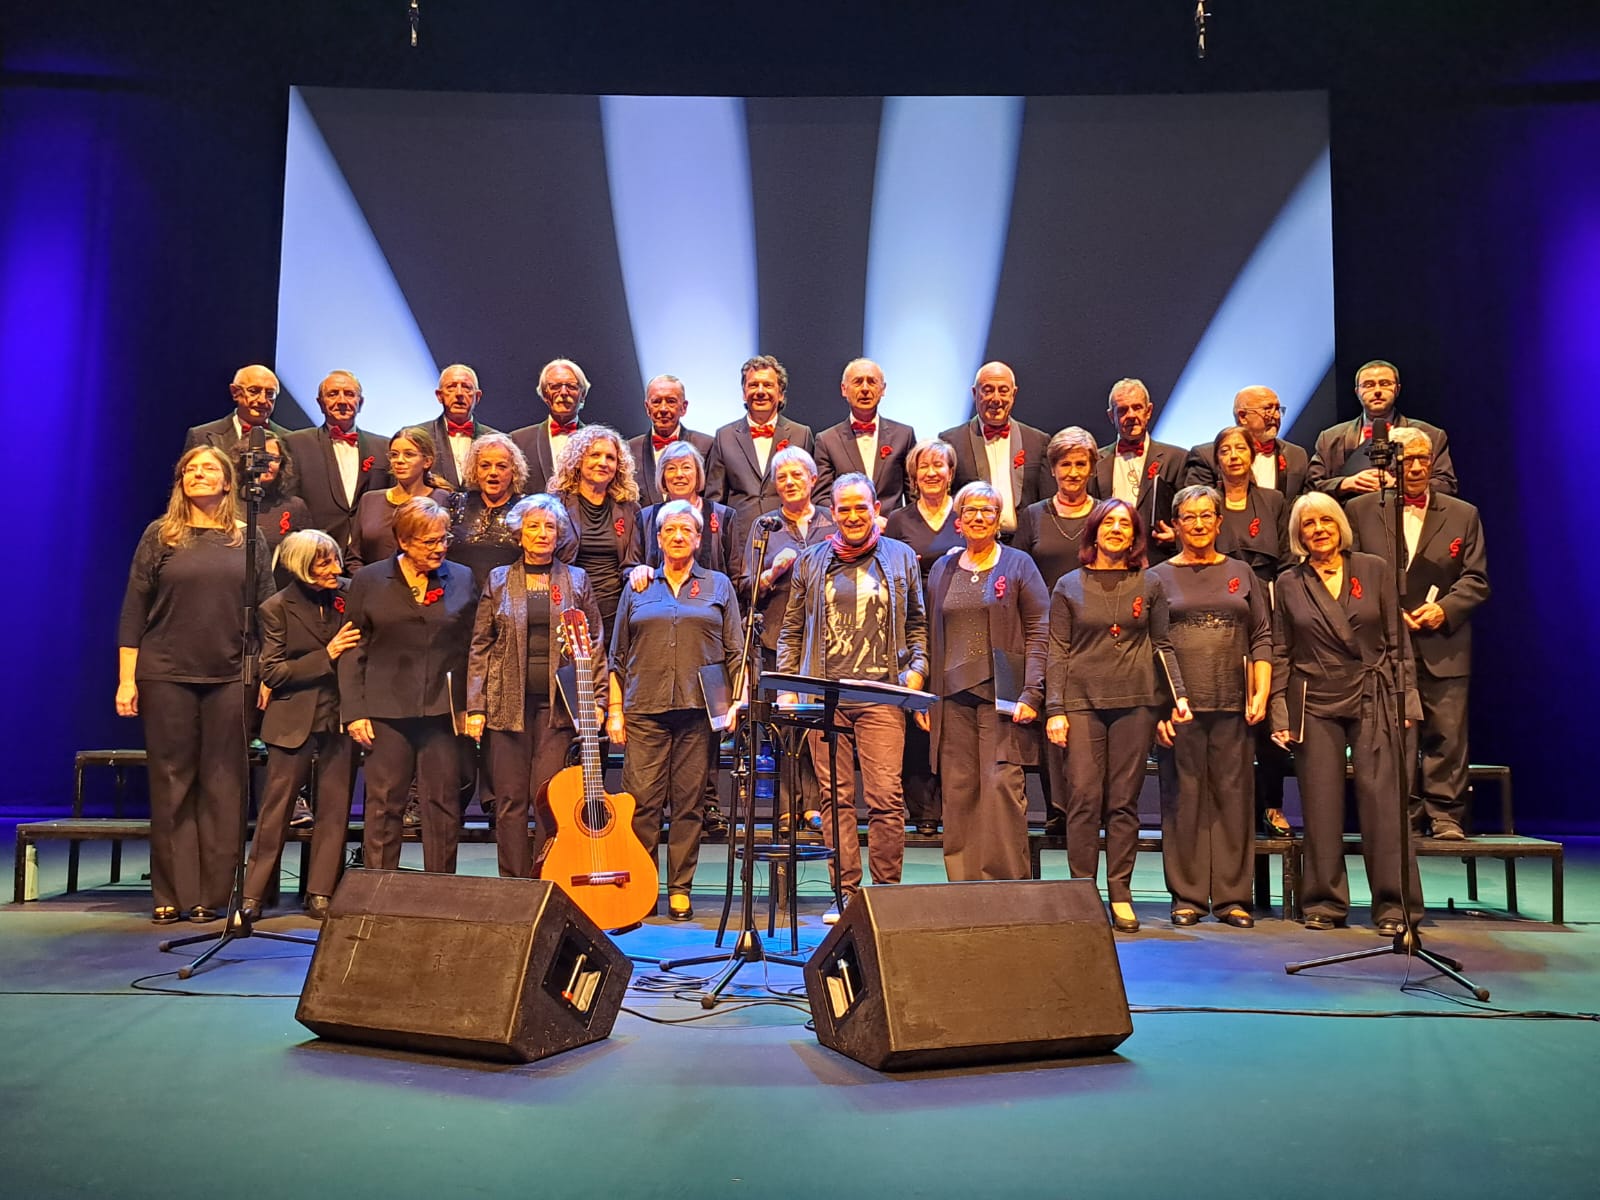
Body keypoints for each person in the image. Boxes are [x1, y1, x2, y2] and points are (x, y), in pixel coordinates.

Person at [117, 446, 272, 924]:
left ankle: (215, 894)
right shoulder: (160, 535)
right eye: (190, 468)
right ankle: (172, 892)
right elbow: (134, 610)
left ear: (229, 482)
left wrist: (265, 671)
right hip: (166, 672)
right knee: (171, 781)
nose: (198, 474)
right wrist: (127, 679)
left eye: (209, 468)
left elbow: (267, 611)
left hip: (230, 675)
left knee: (224, 783)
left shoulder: (248, 539)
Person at [776, 473, 928, 921]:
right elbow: (790, 629)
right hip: (824, 695)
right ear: (833, 513)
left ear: (875, 508)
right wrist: (789, 686)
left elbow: (917, 623)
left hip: (881, 694)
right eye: (844, 508)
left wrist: (916, 671)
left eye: (861, 507)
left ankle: (885, 896)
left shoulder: (900, 557)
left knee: (885, 796)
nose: (854, 515)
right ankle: (845, 894)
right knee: (835, 798)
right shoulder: (811, 560)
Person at [1270, 491, 1423, 935]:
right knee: (1320, 806)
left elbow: (1398, 643)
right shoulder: (1288, 582)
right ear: (1299, 534)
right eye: (1308, 524)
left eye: (1326, 522)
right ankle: (1324, 902)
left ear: (1340, 527)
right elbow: (1281, 651)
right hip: (1314, 699)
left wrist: (1406, 699)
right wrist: (1280, 714)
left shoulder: (1373, 569)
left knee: (1384, 804)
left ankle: (1395, 907)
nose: (1318, 530)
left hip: (1374, 693)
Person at [1045, 498, 1191, 933]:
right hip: (1081, 704)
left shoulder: (1150, 584)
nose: (1116, 530)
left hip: (1136, 702)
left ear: (1134, 535)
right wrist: (1055, 708)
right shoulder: (1068, 585)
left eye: (1124, 524)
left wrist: (1177, 696)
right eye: (1108, 523)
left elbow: (1162, 645)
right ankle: (1081, 893)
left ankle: (1121, 894)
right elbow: (1057, 651)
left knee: (1124, 803)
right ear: (1094, 532)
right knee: (1085, 799)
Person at [1348, 426, 1490, 840]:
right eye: (1407, 459)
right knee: (1393, 734)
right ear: (1392, 463)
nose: (1415, 467)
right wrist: (1386, 613)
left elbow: (1476, 579)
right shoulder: (1361, 510)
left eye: (1422, 459)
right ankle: (1400, 814)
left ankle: (1445, 814)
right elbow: (1352, 575)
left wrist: (1442, 610)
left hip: (1443, 643)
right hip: (1384, 646)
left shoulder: (1463, 513)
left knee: (1446, 731)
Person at [608, 501, 743, 920]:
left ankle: (680, 888)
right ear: (659, 538)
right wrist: (614, 710)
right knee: (641, 802)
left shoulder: (719, 585)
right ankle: (643, 884)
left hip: (698, 711)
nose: (679, 536)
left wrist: (737, 700)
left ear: (699, 539)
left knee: (688, 804)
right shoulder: (639, 586)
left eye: (687, 529)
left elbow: (736, 651)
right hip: (644, 709)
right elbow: (616, 655)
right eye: (670, 530)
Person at [1149, 486, 1272, 927]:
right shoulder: (1158, 576)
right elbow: (1152, 645)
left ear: (1219, 522)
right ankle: (1187, 896)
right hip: (1179, 707)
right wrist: (1161, 709)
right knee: (1182, 799)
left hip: (1234, 705)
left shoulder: (1241, 572)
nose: (1198, 524)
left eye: (1206, 516)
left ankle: (1232, 898)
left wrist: (1260, 693)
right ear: (1175, 525)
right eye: (1189, 517)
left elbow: (1261, 635)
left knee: (1234, 799)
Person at [467, 495, 603, 879]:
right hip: (507, 703)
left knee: (549, 799)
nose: (542, 534)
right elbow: (481, 645)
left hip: (558, 708)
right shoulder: (498, 579)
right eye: (533, 526)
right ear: (519, 533)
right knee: (510, 800)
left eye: (549, 527)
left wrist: (597, 700)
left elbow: (594, 643)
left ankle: (549, 877)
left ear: (559, 534)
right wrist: (475, 705)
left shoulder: (576, 580)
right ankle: (512, 882)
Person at [339, 497, 478, 874]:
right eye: (428, 542)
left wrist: (470, 705)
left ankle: (438, 890)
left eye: (443, 539)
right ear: (404, 541)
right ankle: (379, 890)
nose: (439, 548)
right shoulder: (369, 579)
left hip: (442, 711)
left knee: (443, 804)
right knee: (385, 803)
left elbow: (473, 647)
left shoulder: (462, 577)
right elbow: (353, 648)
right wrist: (354, 711)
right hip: (385, 709)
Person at [922, 481, 1049, 881]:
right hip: (951, 699)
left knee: (1000, 791)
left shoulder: (1018, 564)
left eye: (988, 511)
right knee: (958, 795)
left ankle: (1006, 889)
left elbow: (1040, 629)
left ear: (999, 520)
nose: (979, 518)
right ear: (957, 521)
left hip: (1004, 698)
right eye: (970, 511)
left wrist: (1033, 690)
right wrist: (926, 698)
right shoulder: (942, 568)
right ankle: (964, 887)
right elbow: (929, 632)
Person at [241, 530, 359, 920]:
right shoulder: (276, 607)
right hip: (293, 716)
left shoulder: (350, 595)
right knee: (277, 809)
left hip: (340, 715)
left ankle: (320, 891)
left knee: (335, 807)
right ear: (299, 565)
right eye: (323, 562)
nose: (334, 569)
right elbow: (272, 672)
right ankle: (254, 895)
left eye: (335, 559)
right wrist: (326, 655)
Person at [1207, 424, 1294, 837]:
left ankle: (1272, 805)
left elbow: (1287, 560)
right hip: (1218, 610)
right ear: (1217, 459)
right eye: (1225, 450)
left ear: (1253, 455)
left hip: (1264, 606)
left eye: (1240, 449)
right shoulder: (1208, 504)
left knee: (1266, 710)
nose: (1234, 456)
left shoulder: (1274, 501)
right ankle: (1226, 808)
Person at [1013, 425, 1099, 836]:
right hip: (1048, 630)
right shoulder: (1033, 516)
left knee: (1088, 719)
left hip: (1094, 630)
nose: (1073, 472)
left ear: (1091, 467)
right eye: (1066, 464)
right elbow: (1021, 572)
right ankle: (1058, 808)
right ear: (1053, 468)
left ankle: (1090, 804)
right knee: (1053, 716)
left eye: (1081, 464)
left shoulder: (1105, 515)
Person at [883, 438, 964, 836]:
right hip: (913, 622)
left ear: (951, 473)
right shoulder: (899, 521)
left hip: (962, 623)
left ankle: (956, 802)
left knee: (954, 710)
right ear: (913, 476)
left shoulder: (965, 514)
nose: (932, 473)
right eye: (924, 467)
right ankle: (923, 809)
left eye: (939, 466)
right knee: (915, 711)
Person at [1308, 359, 1456, 499]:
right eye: (1368, 385)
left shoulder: (1431, 435)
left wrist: (1398, 485)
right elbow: (1311, 488)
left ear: (1397, 389)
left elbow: (1447, 485)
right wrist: (1345, 484)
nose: (1377, 390)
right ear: (1357, 392)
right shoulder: (1329, 438)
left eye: (1384, 383)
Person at [548, 424, 645, 635]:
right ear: (578, 460)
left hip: (616, 609)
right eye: (595, 455)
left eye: (610, 458)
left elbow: (632, 563)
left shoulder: (629, 509)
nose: (603, 463)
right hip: (568, 607)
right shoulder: (556, 504)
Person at [706, 354, 815, 539]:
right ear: (743, 392)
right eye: (753, 385)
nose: (760, 391)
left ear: (780, 394)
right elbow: (714, 500)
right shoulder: (724, 436)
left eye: (768, 385)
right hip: (740, 542)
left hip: (791, 537)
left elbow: (813, 492)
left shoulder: (801, 434)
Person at [938, 361, 1051, 536]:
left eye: (1003, 391)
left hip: (1023, 546)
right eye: (988, 390)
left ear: (1013, 394)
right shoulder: (951, 441)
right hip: (971, 544)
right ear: (975, 393)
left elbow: (1045, 502)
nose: (996, 399)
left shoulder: (1038, 441)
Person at [284, 370, 390, 553]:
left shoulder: (384, 447)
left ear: (360, 402)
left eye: (349, 394)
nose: (342, 401)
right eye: (333, 394)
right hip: (316, 553)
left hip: (369, 554)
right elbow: (290, 503)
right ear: (320, 403)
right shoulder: (295, 444)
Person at [1090, 378, 1187, 563]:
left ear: (1148, 411)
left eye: (1137, 408)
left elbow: (1190, 511)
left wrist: (1178, 534)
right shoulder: (1095, 461)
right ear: (1112, 416)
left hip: (1158, 562)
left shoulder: (1177, 459)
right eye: (1123, 410)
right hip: (1107, 562)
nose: (1131, 415)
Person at [812, 358, 916, 515]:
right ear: (844, 389)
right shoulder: (826, 440)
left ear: (883, 389)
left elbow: (913, 495)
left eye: (872, 382)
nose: (865, 388)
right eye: (858, 382)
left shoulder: (904, 435)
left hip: (892, 532)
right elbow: (822, 498)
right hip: (848, 530)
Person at [346, 426, 452, 571]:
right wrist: (369, 585)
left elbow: (448, 553)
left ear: (427, 461)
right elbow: (354, 557)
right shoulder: (370, 500)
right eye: (394, 455)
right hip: (374, 588)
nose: (399, 461)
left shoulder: (441, 499)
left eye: (408, 454)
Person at [633, 442, 742, 582]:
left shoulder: (724, 516)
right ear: (663, 477)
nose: (679, 474)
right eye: (671, 468)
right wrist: (638, 571)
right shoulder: (645, 518)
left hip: (711, 601)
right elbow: (630, 566)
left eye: (686, 467)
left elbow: (737, 578)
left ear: (698, 474)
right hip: (658, 602)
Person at [1183, 386, 1309, 501]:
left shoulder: (1296, 455)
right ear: (1242, 416)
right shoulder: (1207, 457)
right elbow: (1196, 505)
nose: (1276, 416)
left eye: (1277, 409)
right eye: (1267, 409)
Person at [446, 432, 529, 588]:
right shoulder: (456, 503)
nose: (493, 472)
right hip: (459, 597)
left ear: (514, 471)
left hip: (508, 598)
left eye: (502, 466)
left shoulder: (527, 509)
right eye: (485, 465)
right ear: (475, 470)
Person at [234, 433, 310, 590]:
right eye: (262, 456)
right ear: (244, 460)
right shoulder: (225, 503)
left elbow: (307, 559)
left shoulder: (295, 507)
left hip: (276, 597)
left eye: (274, 458)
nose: (267, 463)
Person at [626, 374, 715, 508]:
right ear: (647, 408)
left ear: (684, 407)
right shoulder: (630, 449)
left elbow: (713, 501)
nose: (663, 409)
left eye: (671, 401)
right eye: (656, 402)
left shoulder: (707, 445)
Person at [182, 364, 296, 461]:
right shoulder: (201, 436)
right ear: (235, 392)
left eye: (270, 393)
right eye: (254, 391)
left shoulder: (291, 440)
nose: (262, 400)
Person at [512, 358, 590, 496]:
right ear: (544, 394)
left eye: (571, 386)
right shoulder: (519, 441)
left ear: (583, 394)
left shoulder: (597, 442)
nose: (564, 392)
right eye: (555, 386)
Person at [427, 363, 499, 490]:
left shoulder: (498, 440)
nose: (459, 393)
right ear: (439, 395)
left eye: (466, 387)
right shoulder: (419, 437)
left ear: (477, 397)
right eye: (451, 387)